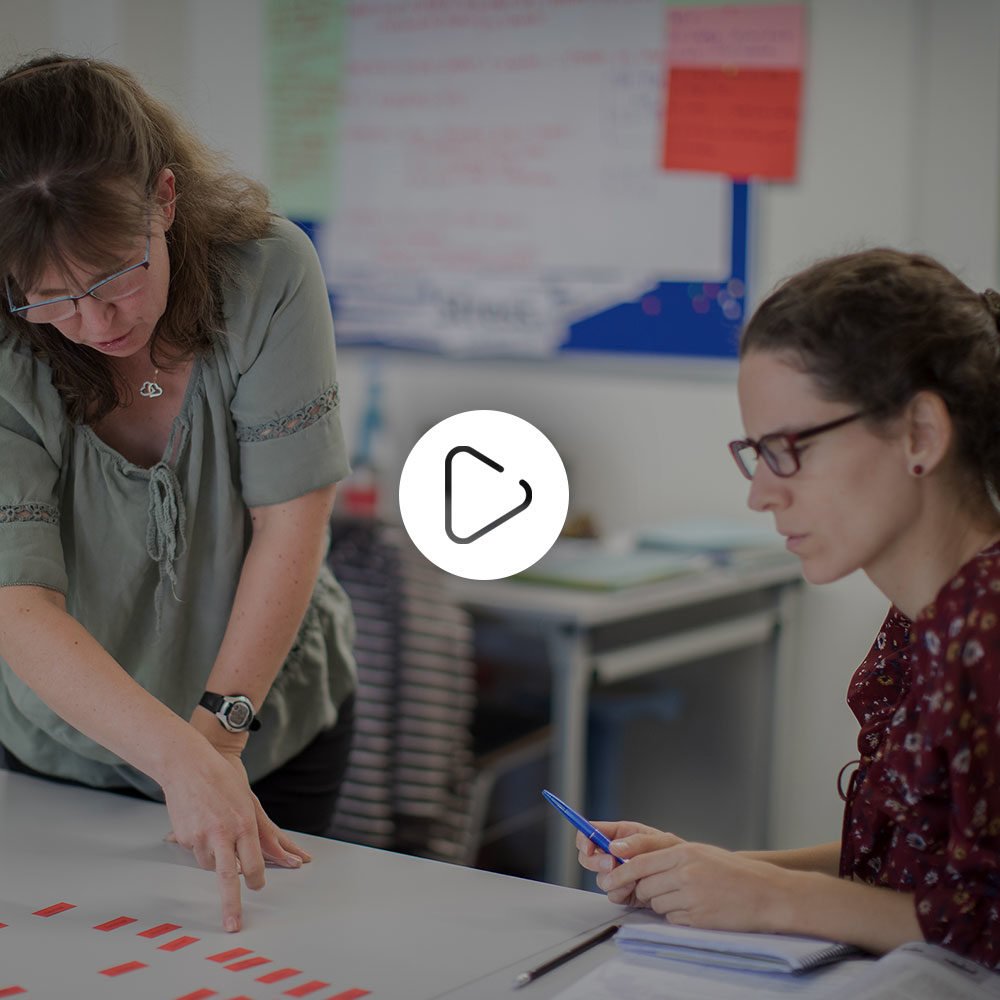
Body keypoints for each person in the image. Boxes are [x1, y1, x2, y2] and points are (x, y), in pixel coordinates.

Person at [0, 54, 358, 933]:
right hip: (62, 747)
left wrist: (215, 747)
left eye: (118, 273)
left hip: (267, 728)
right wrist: (178, 761)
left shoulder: (267, 272)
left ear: (164, 200)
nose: (97, 321)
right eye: (53, 299)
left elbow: (290, 525)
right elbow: (18, 601)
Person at [577, 248, 1000, 967]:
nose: (761, 493)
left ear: (920, 435)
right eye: (757, 453)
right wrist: (717, 870)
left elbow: (983, 917)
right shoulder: (925, 616)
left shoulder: (986, 626)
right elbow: (914, 865)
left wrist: (770, 897)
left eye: (788, 449)